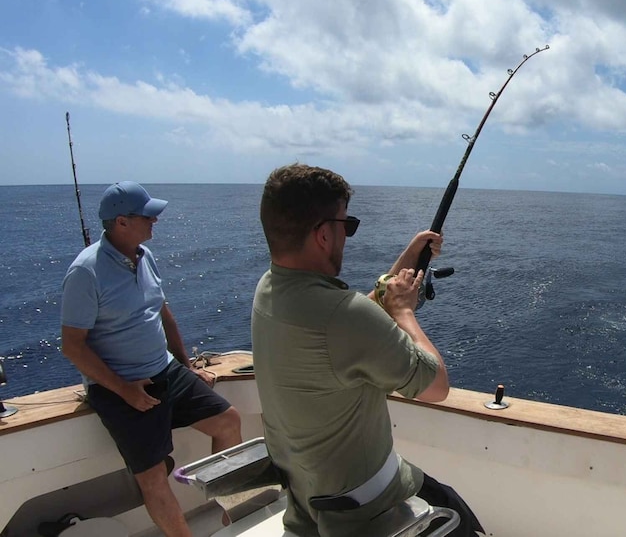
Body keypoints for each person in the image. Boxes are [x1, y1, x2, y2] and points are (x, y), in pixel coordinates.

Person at [251, 163, 484, 537]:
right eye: (347, 225)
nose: (348, 235)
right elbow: (436, 387)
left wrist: (410, 257)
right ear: (323, 235)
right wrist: (405, 312)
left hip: (306, 495)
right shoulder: (342, 316)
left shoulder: (270, 289)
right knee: (456, 511)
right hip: (363, 505)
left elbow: (356, 320)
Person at [61, 181, 242, 537]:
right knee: (153, 476)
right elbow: (73, 346)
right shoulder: (85, 272)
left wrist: (186, 366)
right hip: (121, 386)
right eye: (148, 216)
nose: (155, 221)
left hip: (167, 371)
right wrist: (124, 390)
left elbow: (161, 312)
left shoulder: (144, 256)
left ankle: (230, 521)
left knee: (228, 422)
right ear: (121, 223)